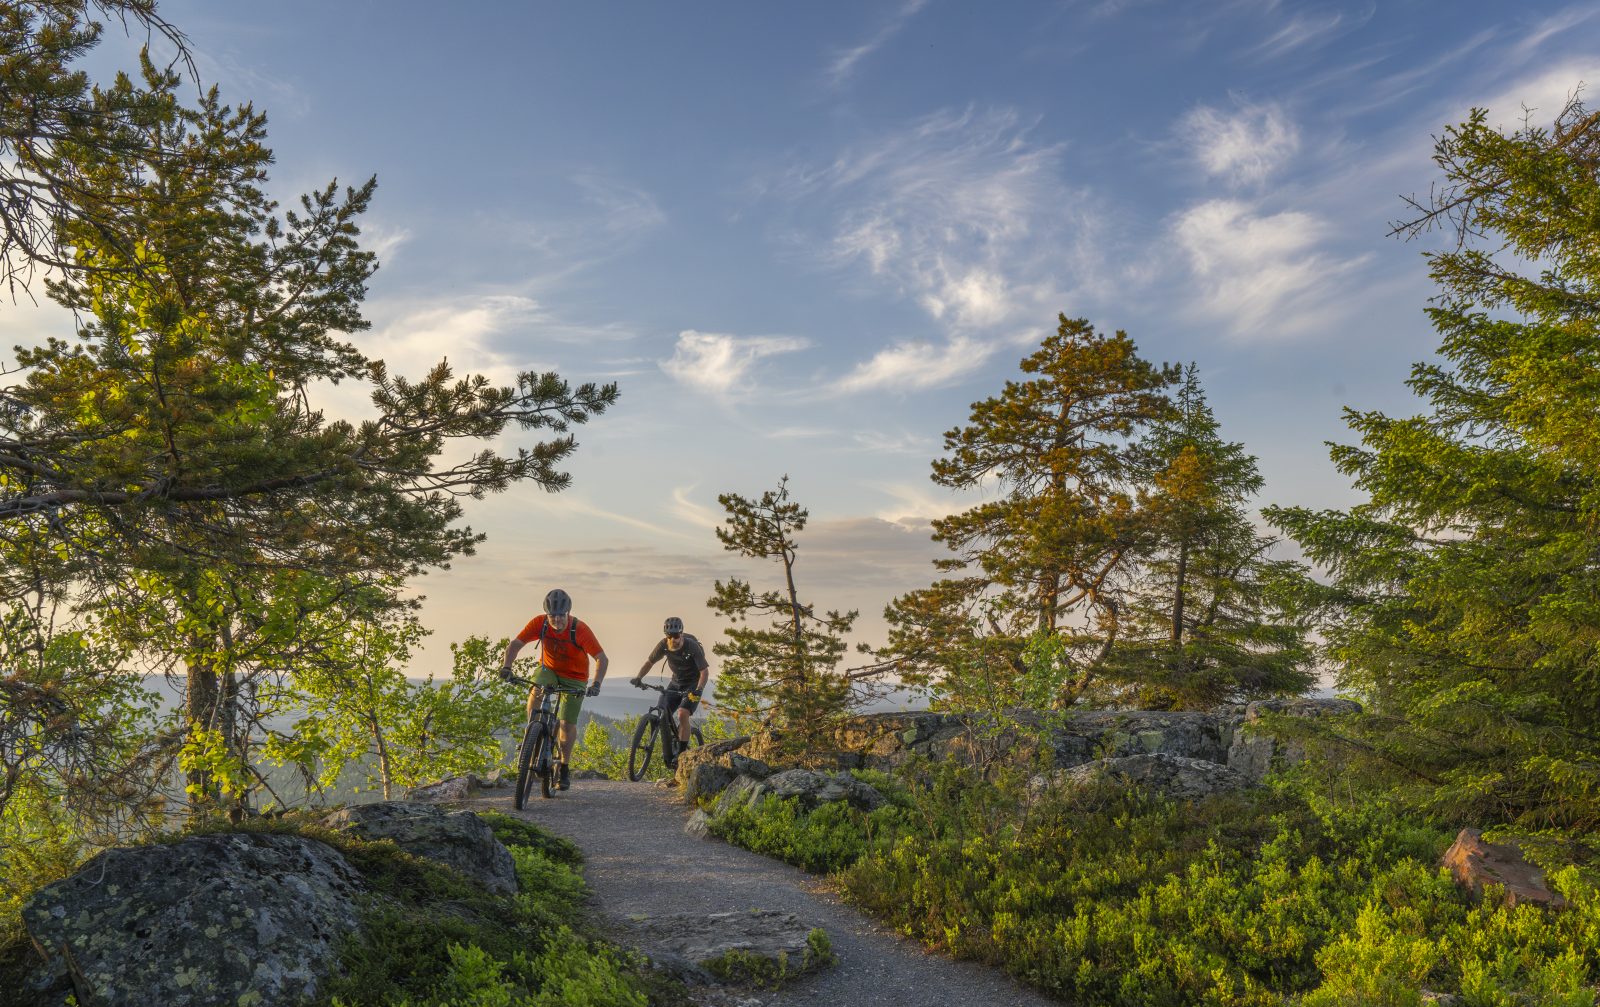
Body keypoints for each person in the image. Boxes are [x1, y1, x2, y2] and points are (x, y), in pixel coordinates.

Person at [500, 588, 608, 791]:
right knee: (536, 690)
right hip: (548, 670)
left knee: (566, 724)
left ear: (568, 613)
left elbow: (601, 658)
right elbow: (515, 644)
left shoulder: (580, 629)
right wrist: (507, 667)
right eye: (552, 616)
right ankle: (531, 734)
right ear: (546, 614)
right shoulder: (539, 623)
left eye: (561, 615)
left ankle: (564, 767)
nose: (557, 620)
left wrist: (596, 684)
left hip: (575, 677)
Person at [630, 616, 709, 768]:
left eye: (676, 635)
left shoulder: (691, 646)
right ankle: (668, 743)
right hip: (676, 683)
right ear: (666, 635)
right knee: (662, 711)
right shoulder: (663, 645)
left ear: (681, 633)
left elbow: (704, 672)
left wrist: (699, 689)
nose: (673, 639)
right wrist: (639, 677)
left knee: (682, 714)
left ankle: (681, 753)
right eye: (670, 635)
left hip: (693, 684)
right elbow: (649, 662)